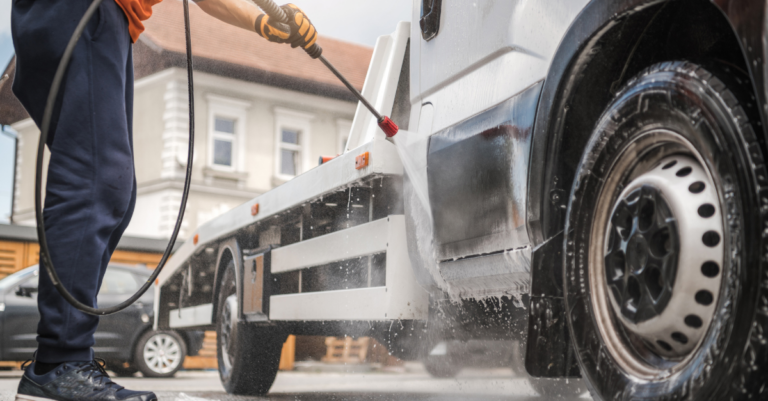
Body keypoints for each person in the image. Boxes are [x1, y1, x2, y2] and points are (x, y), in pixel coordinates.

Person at [11, 0, 317, 400]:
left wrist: (264, 20)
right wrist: (271, 15)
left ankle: (61, 362)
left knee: (111, 189)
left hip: (102, 21)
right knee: (95, 182)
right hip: (85, 11)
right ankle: (57, 365)